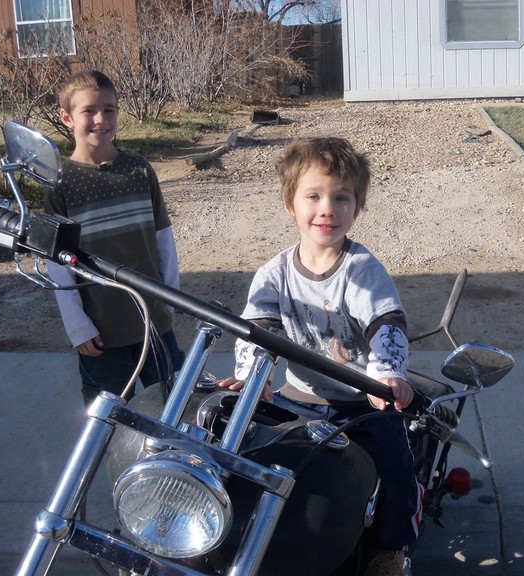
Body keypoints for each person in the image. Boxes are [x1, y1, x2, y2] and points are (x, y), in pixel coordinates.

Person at [219, 137, 420, 576]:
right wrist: (252, 375)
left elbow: (386, 323)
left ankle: (390, 549)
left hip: (360, 401)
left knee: (395, 468)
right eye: (313, 195)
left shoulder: (363, 270)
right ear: (290, 204)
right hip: (299, 397)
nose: (327, 208)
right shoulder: (274, 273)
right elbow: (257, 331)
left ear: (356, 207)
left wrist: (385, 375)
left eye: (341, 197)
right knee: (242, 453)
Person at [45, 69, 184, 407]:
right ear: (67, 118)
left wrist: (170, 299)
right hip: (101, 336)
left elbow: (164, 242)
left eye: (109, 109)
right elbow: (58, 267)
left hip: (154, 325)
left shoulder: (139, 171)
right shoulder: (60, 184)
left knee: (177, 409)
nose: (100, 119)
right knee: (106, 423)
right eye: (89, 110)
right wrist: (79, 328)